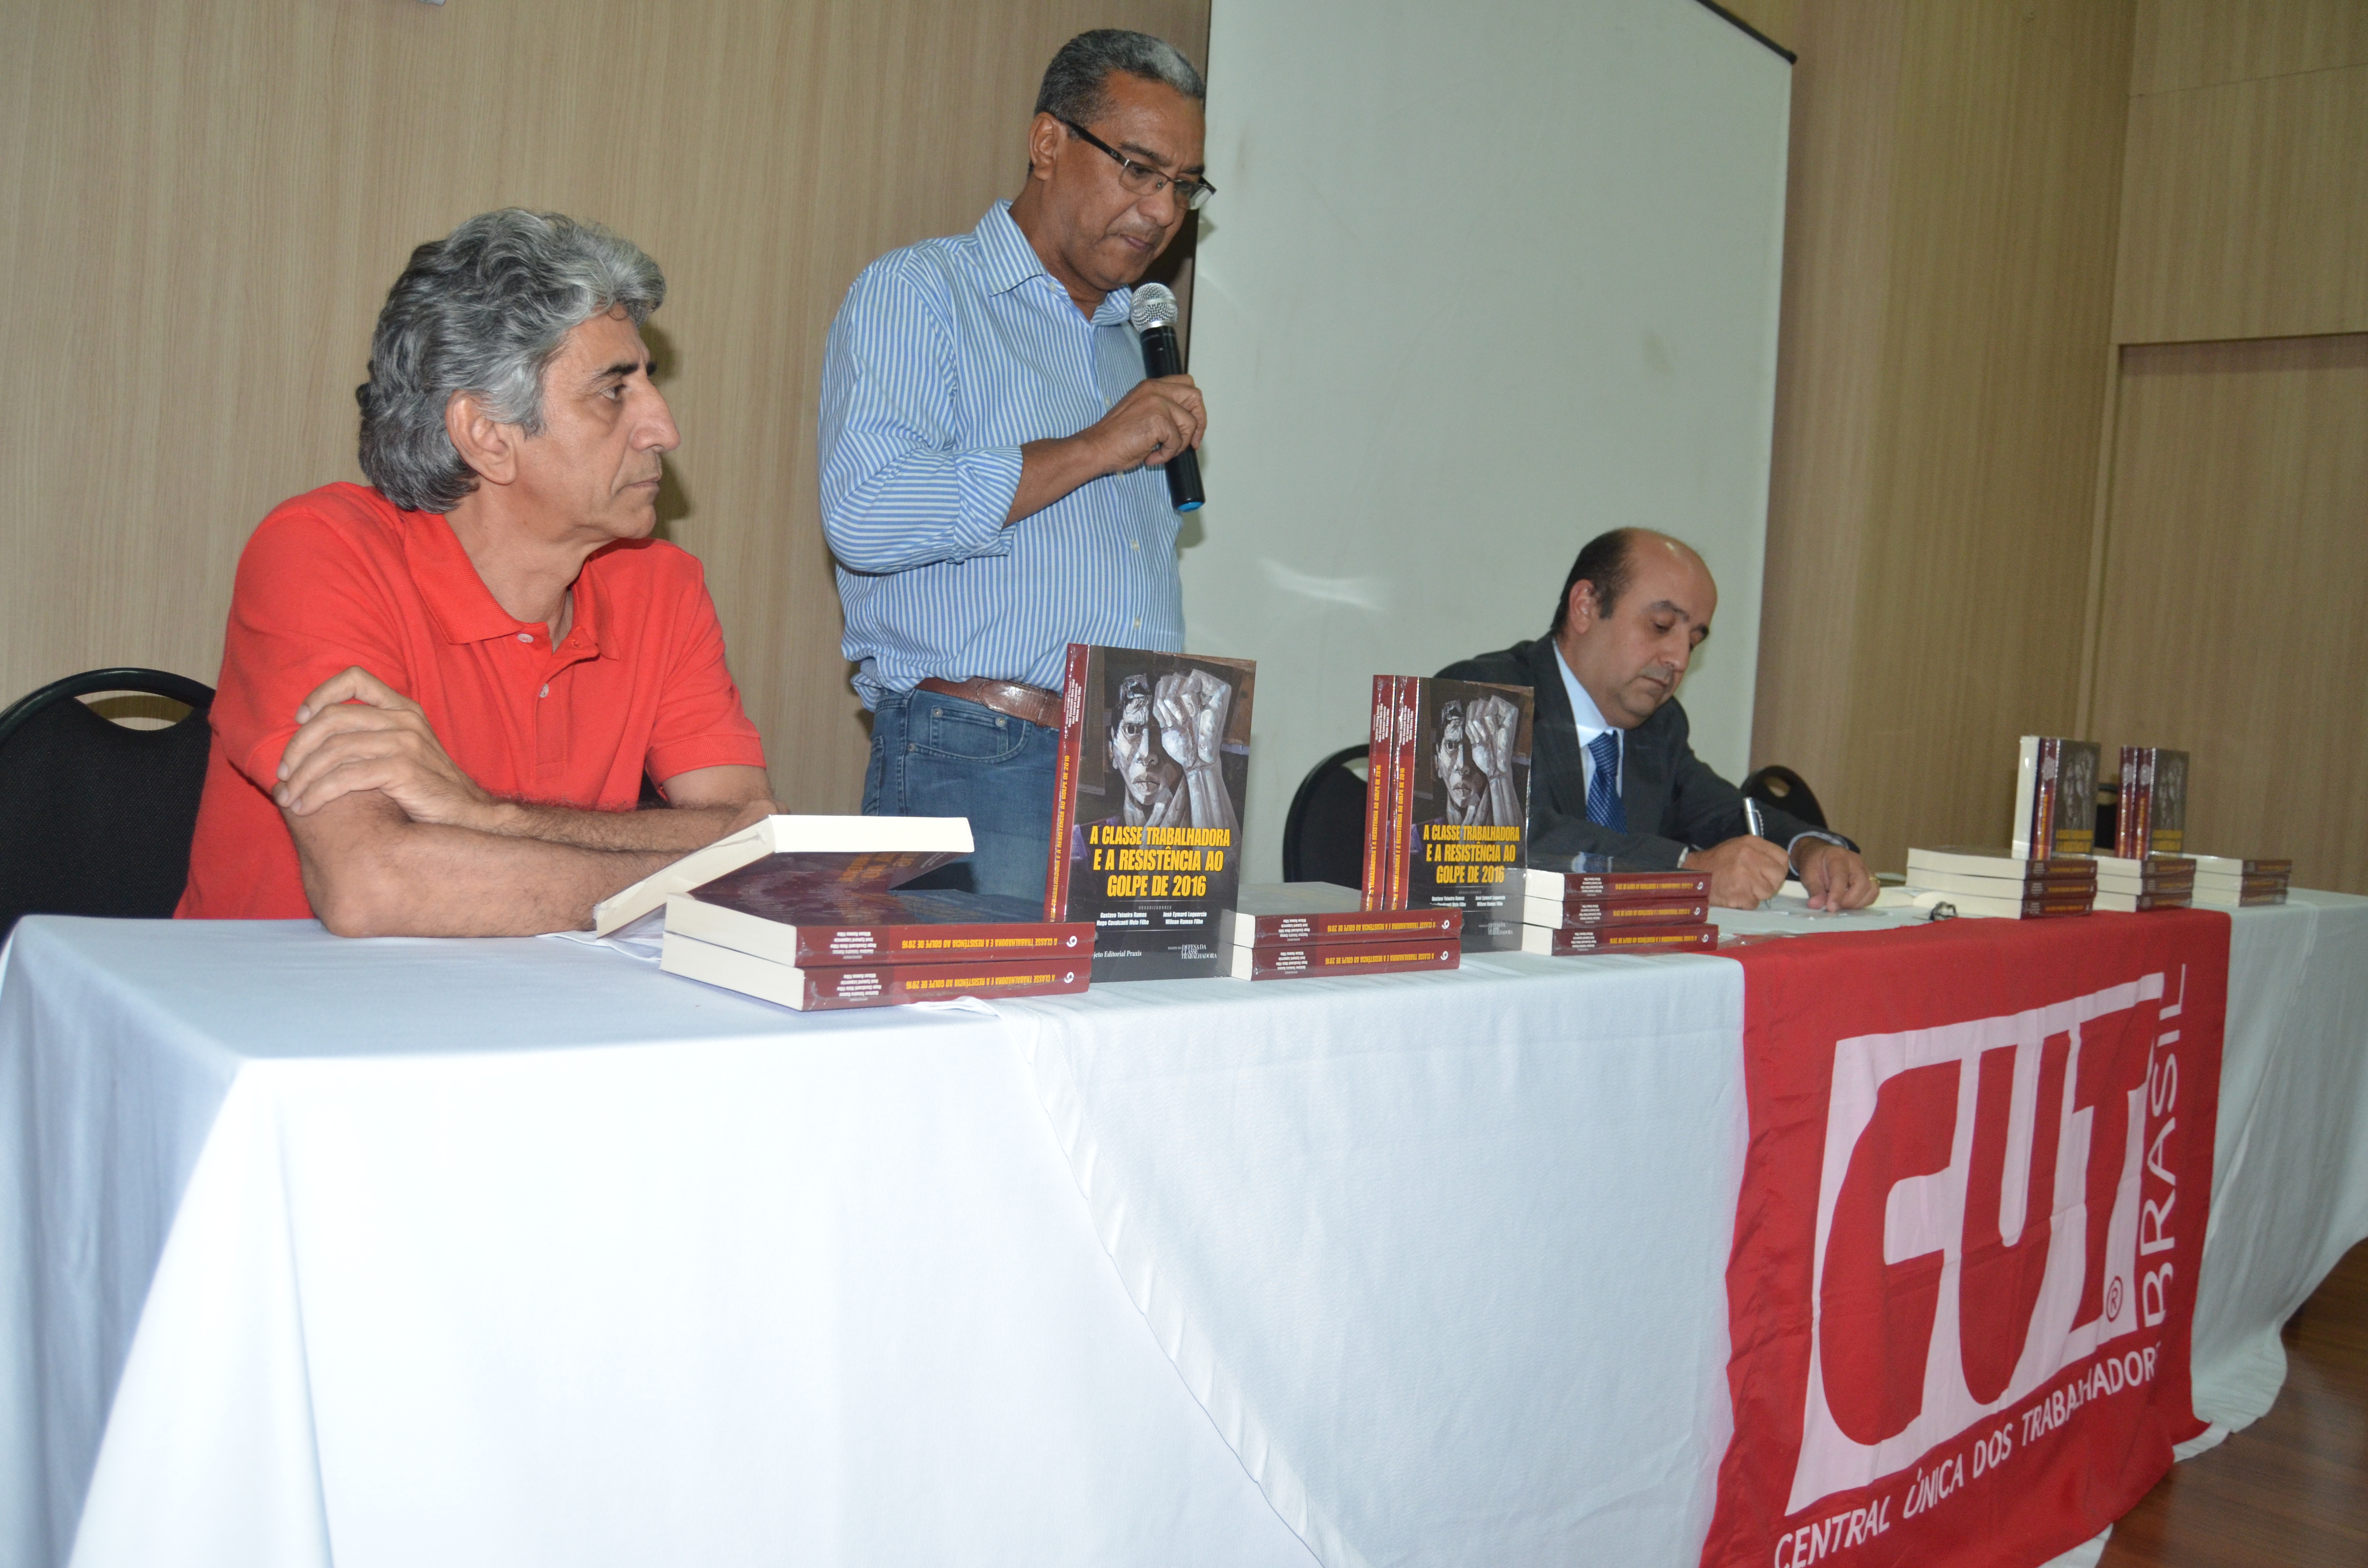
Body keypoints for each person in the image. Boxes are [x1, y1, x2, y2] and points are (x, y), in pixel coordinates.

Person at [176, 210, 776, 936]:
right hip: (288, 1004)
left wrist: (490, 817)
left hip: (537, 1001)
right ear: (487, 435)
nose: (664, 429)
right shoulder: (320, 553)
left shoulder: (662, 585)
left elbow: (757, 841)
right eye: (614, 392)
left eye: (647, 383)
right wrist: (683, 871)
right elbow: (373, 888)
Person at [819, 28, 1213, 901]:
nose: (1161, 212)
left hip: (1136, 777)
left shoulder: (1135, 347)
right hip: (981, 755)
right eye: (1139, 169)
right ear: (1047, 144)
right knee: (975, 996)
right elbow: (867, 512)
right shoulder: (922, 293)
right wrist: (1095, 447)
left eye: (1184, 186)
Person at [1439, 529, 1876, 910]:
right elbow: (1499, 838)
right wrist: (1684, 869)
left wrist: (1809, 849)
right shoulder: (1482, 694)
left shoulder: (1660, 726)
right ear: (1586, 606)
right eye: (1662, 626)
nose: (1680, 659)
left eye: (1694, 641)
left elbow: (1723, 812)